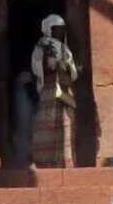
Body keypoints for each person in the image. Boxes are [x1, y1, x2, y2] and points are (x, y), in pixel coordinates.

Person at [31, 13, 80, 169]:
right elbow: (40, 66)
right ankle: (46, 163)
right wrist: (55, 65)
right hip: (50, 90)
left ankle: (66, 162)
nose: (60, 32)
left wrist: (70, 68)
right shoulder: (43, 45)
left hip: (65, 91)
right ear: (49, 29)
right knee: (49, 125)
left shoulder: (65, 48)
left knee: (67, 125)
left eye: (62, 29)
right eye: (57, 29)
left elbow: (72, 71)